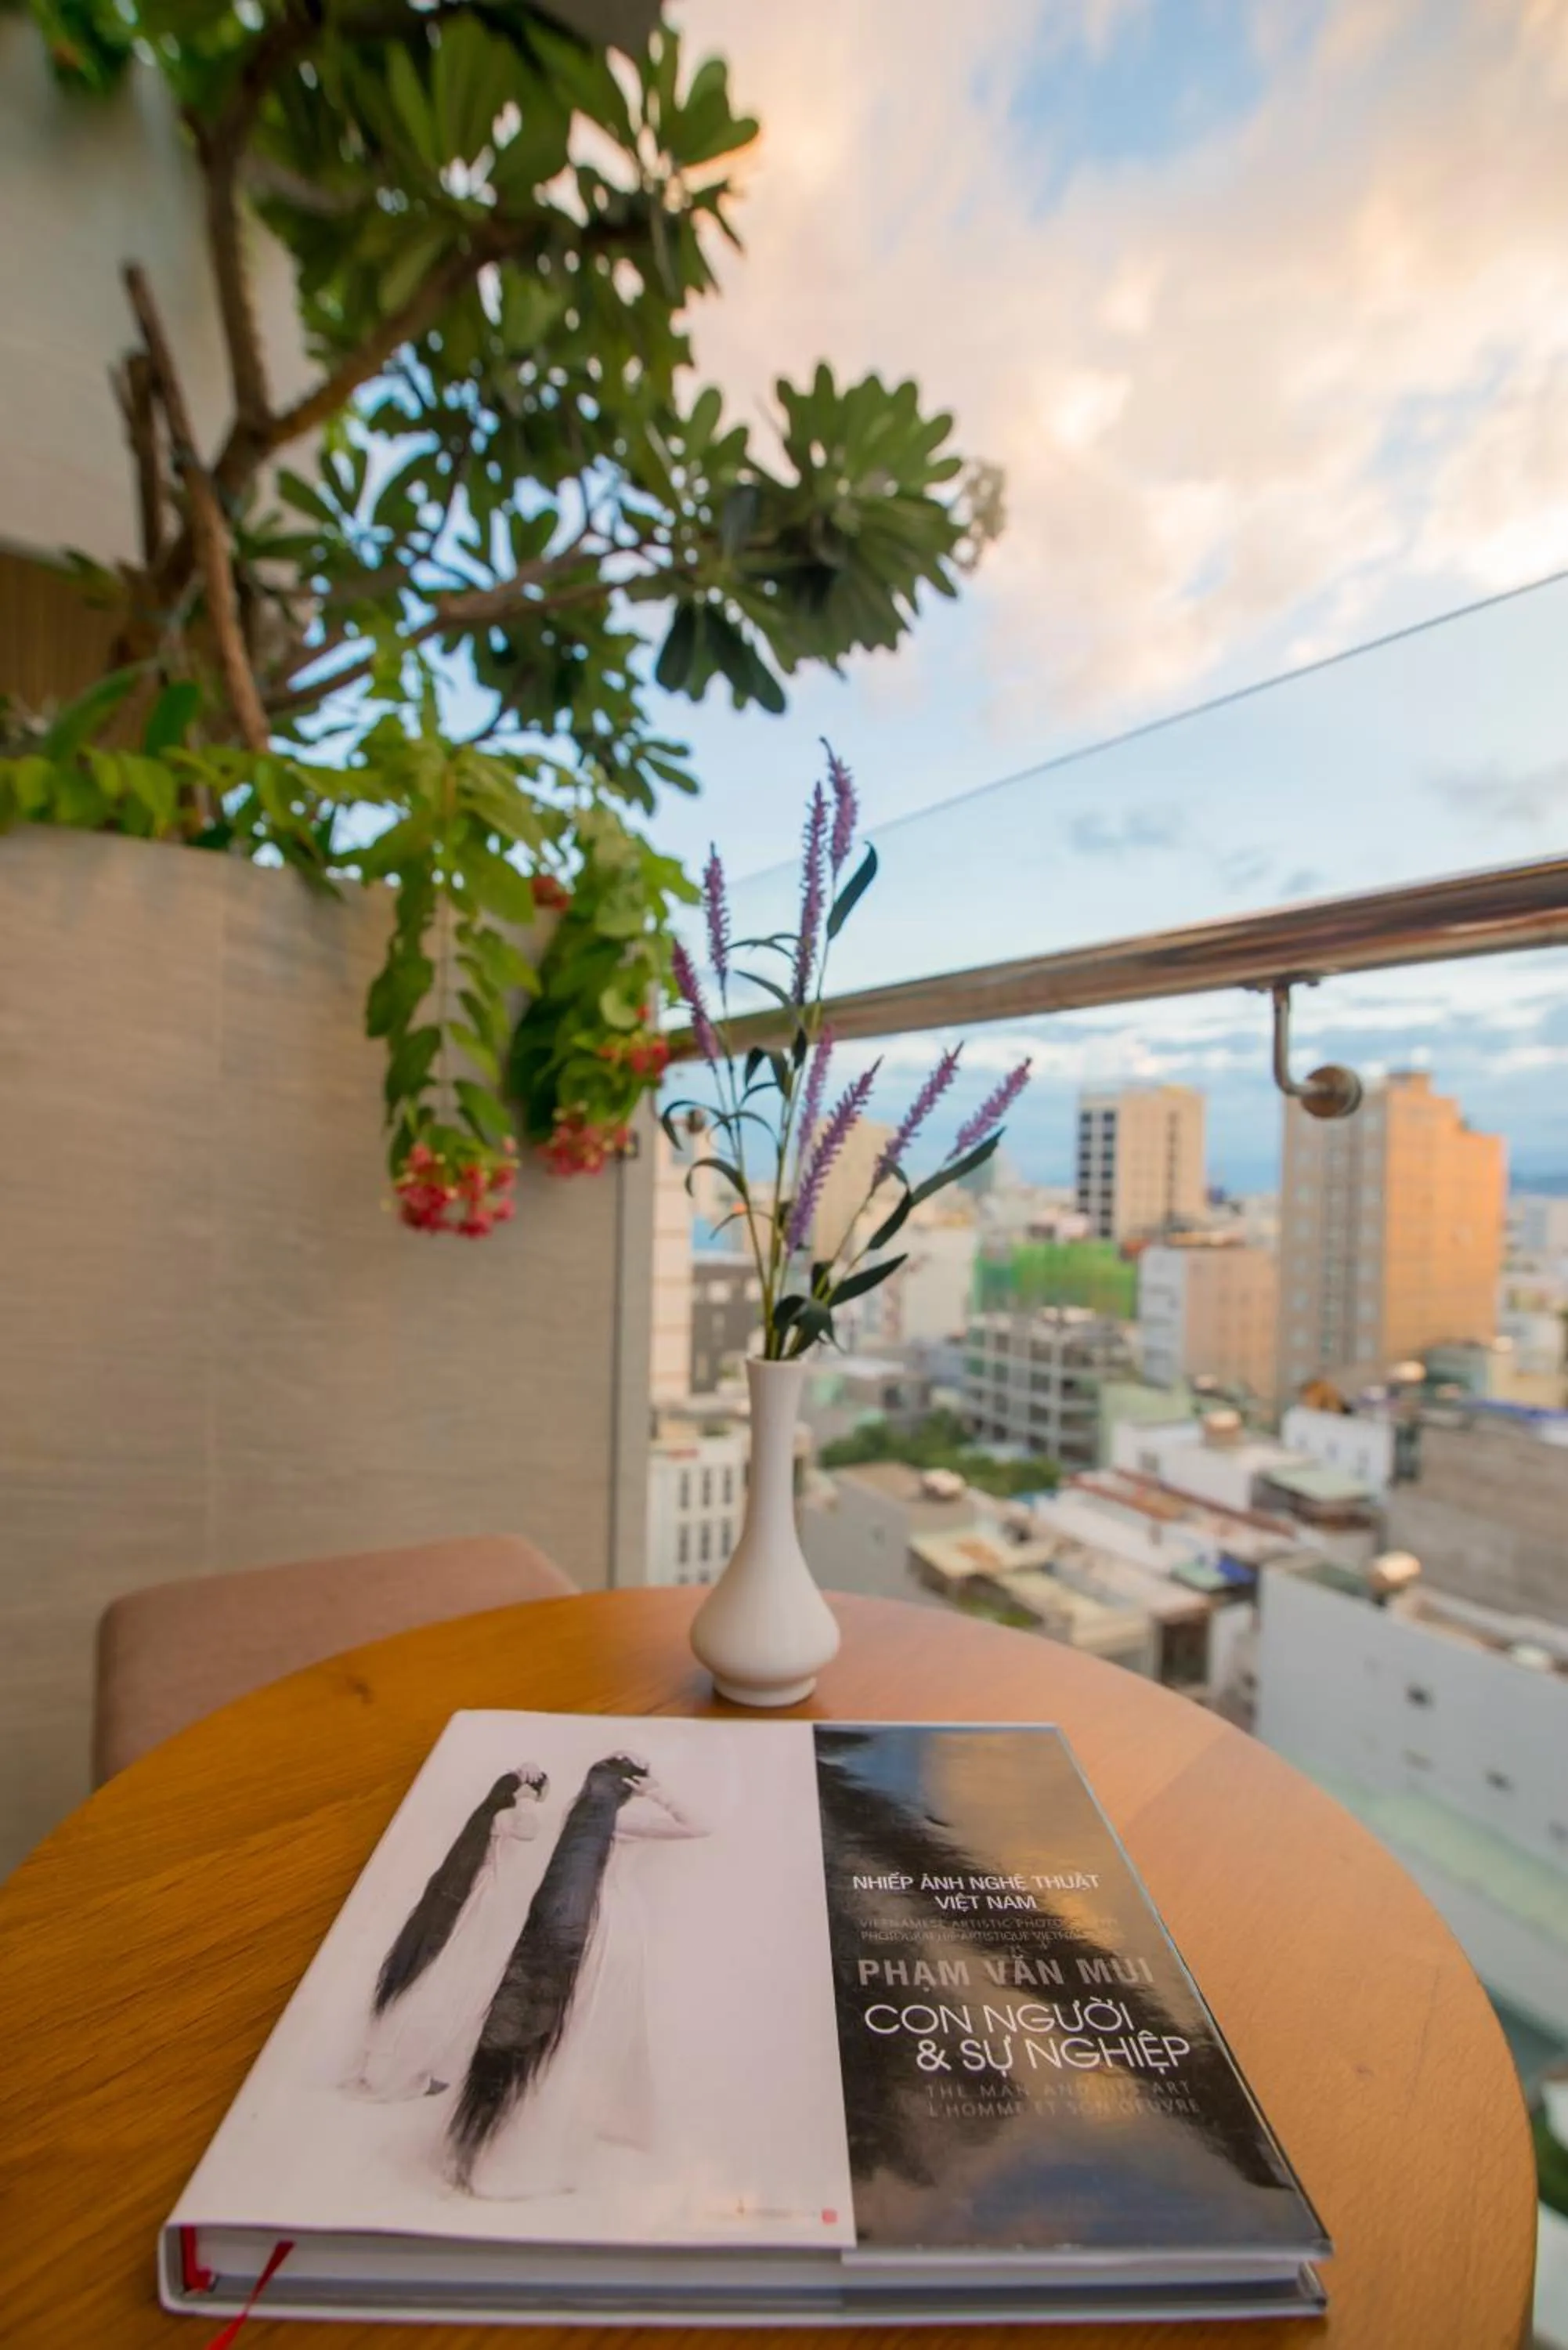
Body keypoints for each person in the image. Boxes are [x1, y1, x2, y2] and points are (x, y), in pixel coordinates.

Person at [449, 1751, 709, 2198]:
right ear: (627, 1789)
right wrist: (657, 1793)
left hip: (567, 1935)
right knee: (575, 2043)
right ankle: (523, 2159)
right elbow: (699, 1825)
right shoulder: (620, 1826)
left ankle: (494, 2147)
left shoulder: (577, 1826)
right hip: (612, 1936)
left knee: (547, 2041)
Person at [345, 1766, 549, 2102]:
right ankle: (404, 2068)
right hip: (484, 1907)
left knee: (443, 1982)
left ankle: (403, 2065)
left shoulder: (492, 1816)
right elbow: (528, 1832)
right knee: (448, 1983)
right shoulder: (509, 1816)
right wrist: (525, 1800)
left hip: (485, 1902)